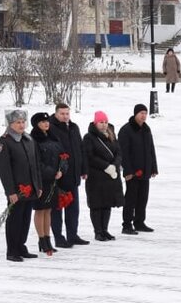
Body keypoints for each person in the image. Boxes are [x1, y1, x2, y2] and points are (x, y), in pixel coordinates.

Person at [0, 109, 41, 262]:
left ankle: (21, 246)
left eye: (23, 122)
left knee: (25, 219)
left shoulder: (28, 139)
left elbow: (35, 165)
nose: (21, 125)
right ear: (10, 124)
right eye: (18, 122)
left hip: (30, 188)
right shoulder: (4, 142)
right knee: (15, 220)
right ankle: (12, 250)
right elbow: (4, 170)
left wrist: (38, 185)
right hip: (17, 190)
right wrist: (10, 192)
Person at [48, 103, 89, 248]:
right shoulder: (51, 128)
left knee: (73, 208)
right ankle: (59, 237)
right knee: (57, 208)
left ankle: (72, 235)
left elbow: (80, 149)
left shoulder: (74, 127)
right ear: (56, 114)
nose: (65, 116)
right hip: (59, 176)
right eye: (62, 114)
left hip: (73, 175)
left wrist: (83, 169)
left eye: (67, 113)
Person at [82, 110, 124, 242]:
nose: (104, 125)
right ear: (95, 123)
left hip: (111, 175)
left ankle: (105, 230)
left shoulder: (112, 135)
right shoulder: (89, 137)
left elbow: (118, 152)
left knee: (107, 204)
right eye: (101, 122)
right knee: (97, 204)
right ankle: (98, 231)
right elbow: (90, 156)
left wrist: (115, 165)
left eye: (105, 122)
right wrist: (106, 166)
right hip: (96, 175)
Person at [118, 104, 159, 234]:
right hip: (133, 172)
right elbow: (123, 152)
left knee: (143, 198)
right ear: (135, 114)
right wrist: (128, 171)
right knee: (131, 198)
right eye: (141, 113)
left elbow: (151, 150)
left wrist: (153, 167)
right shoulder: (126, 130)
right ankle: (127, 224)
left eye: (145, 113)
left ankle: (139, 222)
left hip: (145, 170)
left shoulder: (146, 129)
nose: (143, 116)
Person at [29, 112, 64, 256]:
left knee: (48, 209)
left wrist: (62, 169)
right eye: (43, 122)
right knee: (40, 209)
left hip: (54, 179)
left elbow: (63, 155)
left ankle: (47, 238)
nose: (46, 124)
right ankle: (42, 239)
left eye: (47, 121)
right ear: (37, 124)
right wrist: (51, 172)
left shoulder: (53, 136)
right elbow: (36, 161)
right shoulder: (33, 139)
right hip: (42, 179)